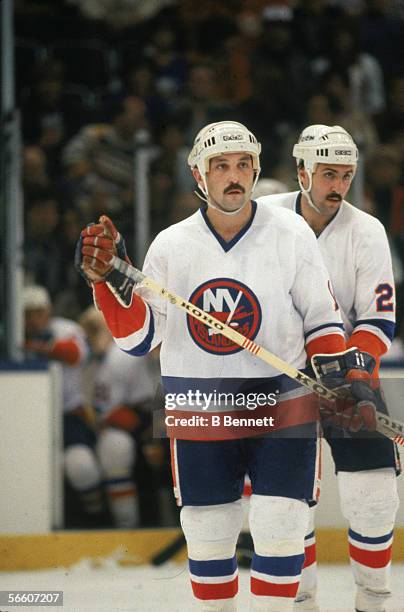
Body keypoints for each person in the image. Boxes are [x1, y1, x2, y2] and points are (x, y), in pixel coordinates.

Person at [76, 120, 380, 611]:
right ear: (199, 173)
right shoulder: (170, 245)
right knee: (208, 533)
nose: (233, 175)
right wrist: (104, 287)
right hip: (200, 401)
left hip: (281, 398)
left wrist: (339, 375)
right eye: (221, 166)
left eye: (243, 165)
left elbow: (323, 320)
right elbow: (139, 339)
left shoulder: (291, 231)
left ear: (256, 170)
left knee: (281, 526)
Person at [256, 124, 400, 612]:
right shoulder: (265, 218)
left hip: (348, 377)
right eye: (328, 175)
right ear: (302, 172)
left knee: (374, 490)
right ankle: (303, 602)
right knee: (288, 505)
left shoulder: (367, 231)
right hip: (281, 380)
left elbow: (379, 318)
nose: (338, 186)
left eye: (346, 175)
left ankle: (373, 602)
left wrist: (355, 368)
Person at [23, 284, 109, 527]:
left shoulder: (65, 328)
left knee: (81, 466)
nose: (33, 319)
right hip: (28, 419)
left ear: (48, 310)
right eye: (27, 313)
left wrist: (36, 346)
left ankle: (98, 519)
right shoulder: (12, 332)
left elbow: (75, 354)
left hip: (70, 416)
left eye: (38, 312)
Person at [79, 306, 158, 528]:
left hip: (166, 411)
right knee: (116, 448)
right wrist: (148, 431)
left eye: (94, 330)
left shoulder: (121, 353)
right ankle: (127, 526)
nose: (90, 336)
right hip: (142, 416)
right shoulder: (111, 357)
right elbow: (110, 413)